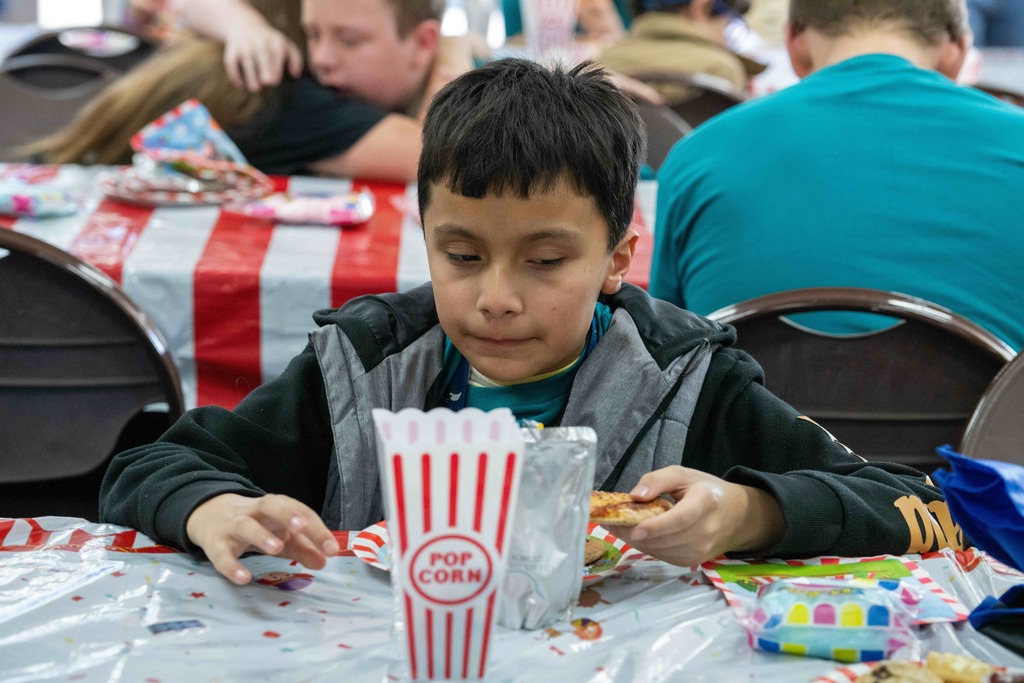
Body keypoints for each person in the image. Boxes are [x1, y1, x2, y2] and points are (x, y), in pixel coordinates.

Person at [99, 58, 960, 585]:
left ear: (619, 259)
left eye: (546, 262)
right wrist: (209, 504)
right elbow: (149, 465)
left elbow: (917, 506)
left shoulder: (688, 380)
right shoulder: (364, 364)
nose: (496, 298)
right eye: (462, 255)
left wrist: (749, 513)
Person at [650, 0, 1024, 351]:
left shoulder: (697, 156)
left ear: (795, 44)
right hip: (991, 420)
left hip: (746, 418)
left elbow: (664, 346)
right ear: (957, 52)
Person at [25, 0, 471, 181]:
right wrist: (453, 52)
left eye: (348, 40)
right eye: (314, 34)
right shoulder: (285, 92)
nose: (323, 58)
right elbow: (445, 155)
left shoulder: (258, 50)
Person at [597, 0, 764, 100]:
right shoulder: (722, 69)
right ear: (701, 7)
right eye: (728, 25)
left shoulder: (601, 62)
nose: (726, 38)